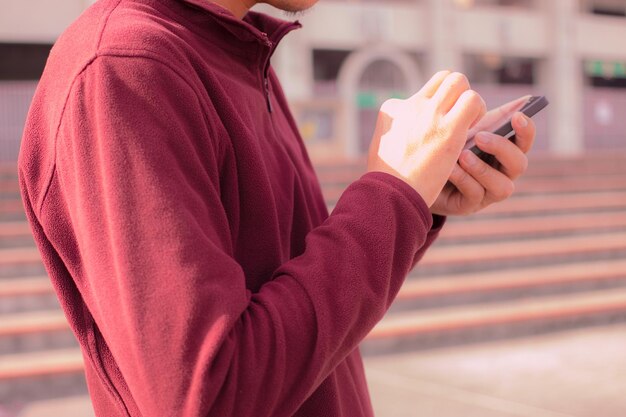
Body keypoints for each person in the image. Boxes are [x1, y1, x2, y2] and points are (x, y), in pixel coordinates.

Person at [18, 0, 536, 416]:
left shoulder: (240, 53)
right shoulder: (126, 67)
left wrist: (416, 202)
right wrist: (391, 192)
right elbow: (210, 395)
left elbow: (299, 295)